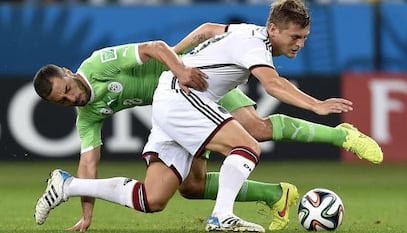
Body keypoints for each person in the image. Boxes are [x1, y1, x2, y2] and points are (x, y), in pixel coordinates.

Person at [34, 0, 383, 232]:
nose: (301, 44)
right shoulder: (252, 43)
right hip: (182, 95)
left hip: (185, 88)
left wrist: (183, 59)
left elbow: (199, 32)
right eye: (296, 37)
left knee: (162, 196)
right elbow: (273, 84)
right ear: (274, 30)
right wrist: (317, 106)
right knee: (248, 145)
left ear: (68, 74)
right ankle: (222, 215)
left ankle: (66, 185)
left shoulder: (246, 33)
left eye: (305, 37)